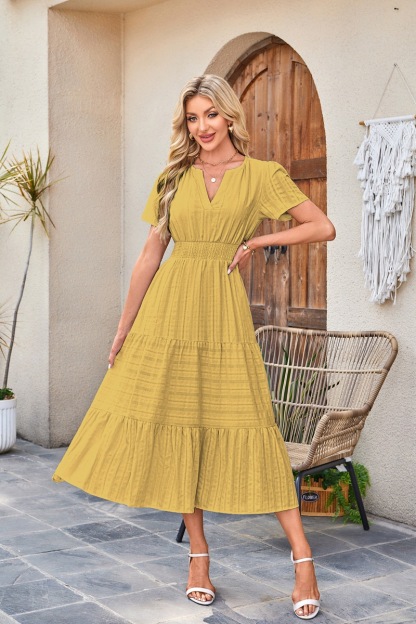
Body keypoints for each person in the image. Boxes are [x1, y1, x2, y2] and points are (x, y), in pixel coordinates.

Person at [53, 74, 335, 620]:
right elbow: (149, 256)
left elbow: (321, 226)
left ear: (229, 115)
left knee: (252, 425)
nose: (202, 126)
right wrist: (123, 327)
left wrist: (257, 239)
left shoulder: (261, 175)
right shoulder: (173, 177)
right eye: (192, 118)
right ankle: (199, 558)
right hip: (168, 312)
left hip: (223, 314)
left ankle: (303, 560)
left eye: (210, 114)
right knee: (181, 425)